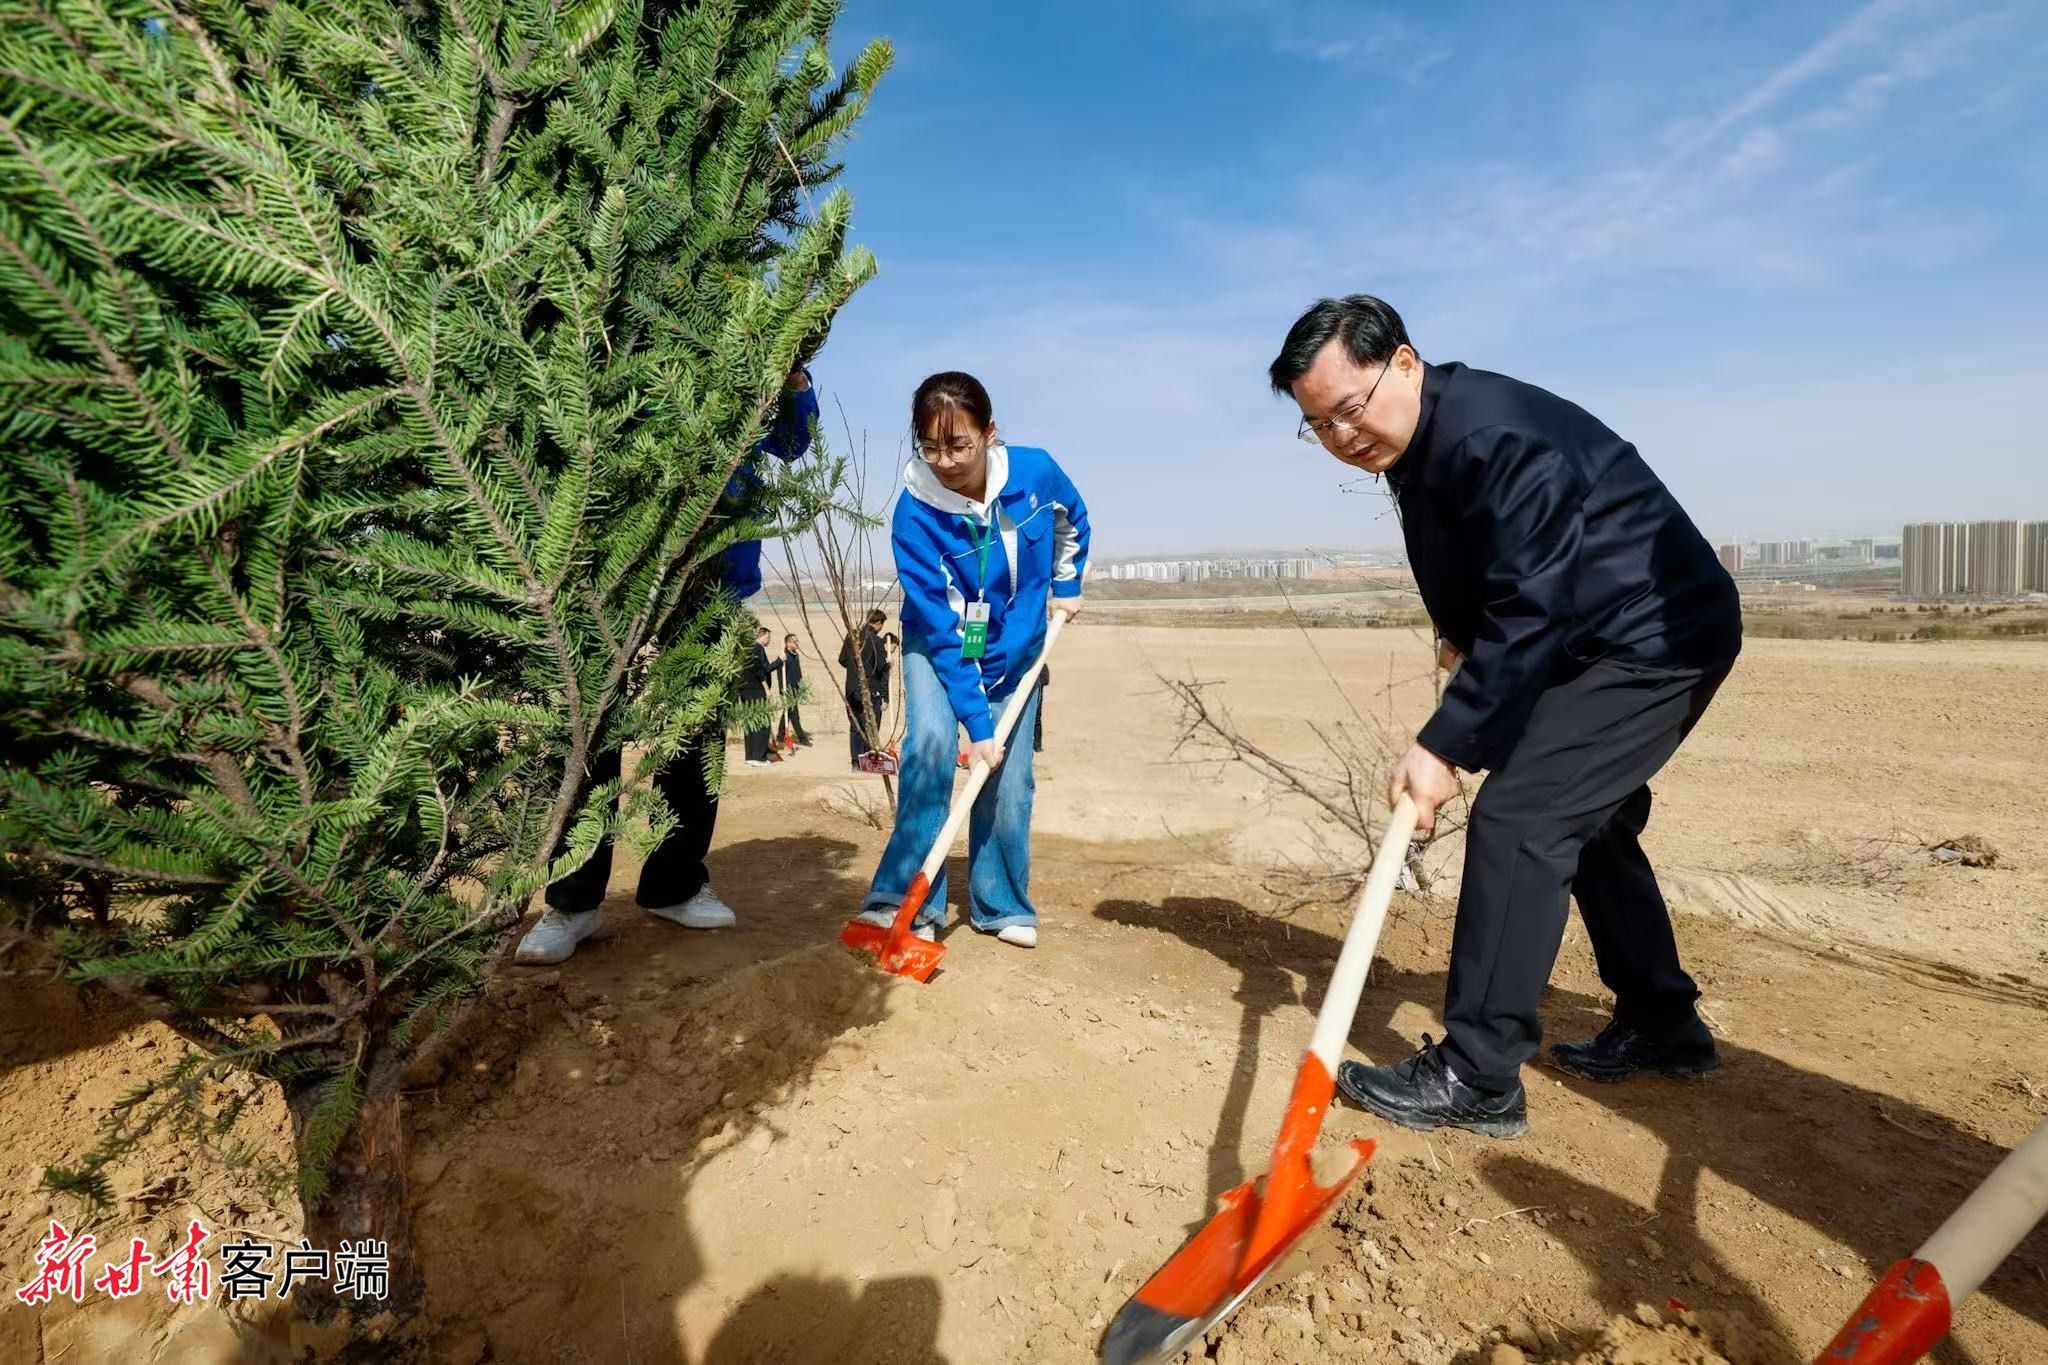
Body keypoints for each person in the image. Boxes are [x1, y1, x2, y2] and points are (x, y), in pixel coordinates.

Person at [1268, 295, 1740, 1138]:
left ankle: (1478, 1073)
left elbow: (1533, 602)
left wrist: (1446, 744)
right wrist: (1462, 633)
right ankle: (1666, 1024)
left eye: (1349, 408)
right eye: (1320, 425)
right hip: (1591, 631)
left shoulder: (1493, 434)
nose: (1342, 436)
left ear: (1404, 362)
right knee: (1586, 824)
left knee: (1523, 818)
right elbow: (1495, 567)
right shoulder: (1422, 446)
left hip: (1656, 633)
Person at [514, 367, 820, 964]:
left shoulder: (749, 356)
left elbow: (791, 442)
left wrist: (796, 378)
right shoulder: (630, 335)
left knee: (694, 732)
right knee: (591, 732)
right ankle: (574, 901)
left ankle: (673, 883)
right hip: (608, 573)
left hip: (712, 580)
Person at [849, 372, 1090, 949]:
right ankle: (900, 902)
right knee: (931, 747)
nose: (946, 461)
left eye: (959, 445)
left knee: (1011, 776)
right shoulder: (915, 515)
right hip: (941, 648)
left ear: (989, 433)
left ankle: (1001, 902)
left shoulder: (1034, 472)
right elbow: (945, 626)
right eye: (930, 447)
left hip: (1020, 644)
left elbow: (1071, 520)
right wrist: (976, 727)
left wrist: (1067, 581)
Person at [839, 609, 889, 771]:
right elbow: (882, 668)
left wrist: (854, 671)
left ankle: (855, 762)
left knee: (855, 726)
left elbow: (843, 660)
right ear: (878, 623)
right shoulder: (876, 641)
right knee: (869, 725)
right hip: (869, 690)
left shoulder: (851, 637)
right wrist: (889, 663)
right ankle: (867, 760)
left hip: (851, 688)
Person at [741, 625, 777, 766]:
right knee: (761, 723)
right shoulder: (758, 649)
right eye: (769, 637)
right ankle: (759, 757)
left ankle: (750, 756)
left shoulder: (748, 648)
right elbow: (761, 670)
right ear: (764, 636)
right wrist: (779, 661)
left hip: (745, 690)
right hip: (755, 691)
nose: (769, 640)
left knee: (750, 722)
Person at [772, 633, 813, 747]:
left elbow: (798, 673)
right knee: (794, 715)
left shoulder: (796, 655)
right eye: (794, 641)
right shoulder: (784, 656)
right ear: (788, 643)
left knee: (788, 713)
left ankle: (780, 736)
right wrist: (784, 691)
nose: (797, 643)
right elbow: (778, 672)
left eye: (797, 640)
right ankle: (802, 738)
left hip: (796, 690)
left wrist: (801, 687)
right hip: (787, 690)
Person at [1032, 662, 1049, 753]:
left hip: (1038, 678)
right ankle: (1037, 745)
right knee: (1037, 716)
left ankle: (1037, 744)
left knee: (1036, 716)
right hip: (1037, 678)